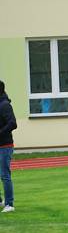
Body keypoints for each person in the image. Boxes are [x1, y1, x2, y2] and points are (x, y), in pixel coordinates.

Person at [0, 80, 17, 213]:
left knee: (5, 174)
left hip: (5, 145)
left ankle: (9, 204)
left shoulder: (5, 105)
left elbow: (13, 123)